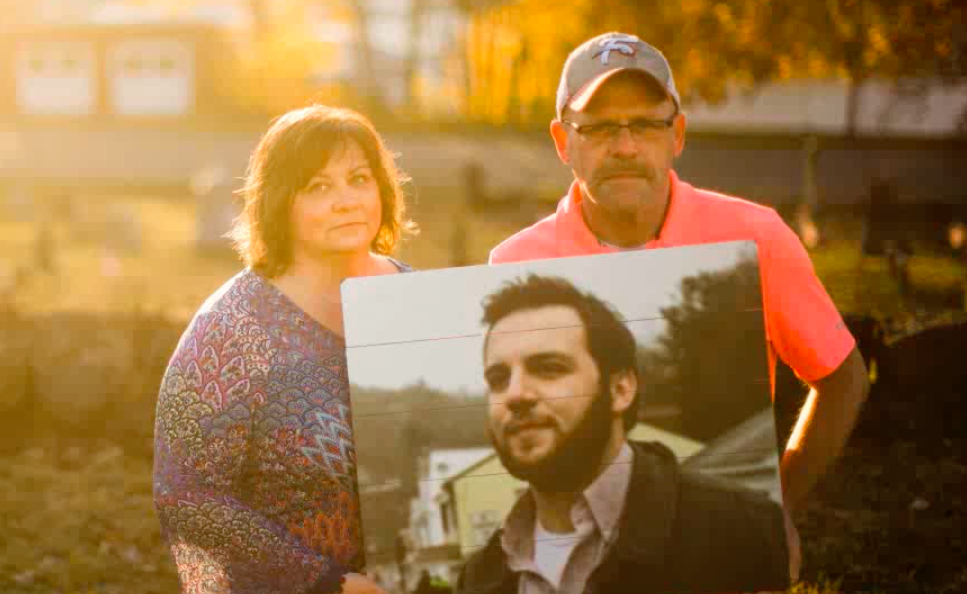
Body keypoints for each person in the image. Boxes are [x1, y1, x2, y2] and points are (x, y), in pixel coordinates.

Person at [487, 32, 871, 580]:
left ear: (678, 134)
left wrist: (777, 507)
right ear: (562, 140)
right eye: (598, 127)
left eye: (646, 124)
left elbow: (842, 377)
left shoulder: (755, 235)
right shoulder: (514, 263)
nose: (625, 146)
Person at [153, 105, 416, 594]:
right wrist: (327, 583)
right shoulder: (231, 330)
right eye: (318, 187)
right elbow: (188, 494)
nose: (346, 201)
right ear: (279, 203)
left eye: (359, 179)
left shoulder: (421, 301)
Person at [456, 274, 790, 594]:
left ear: (620, 389)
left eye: (549, 368)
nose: (515, 394)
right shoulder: (478, 579)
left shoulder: (746, 531)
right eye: (498, 379)